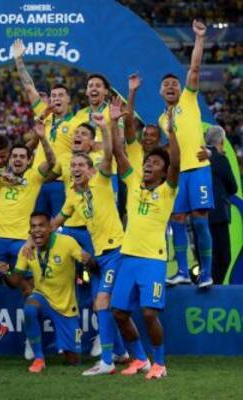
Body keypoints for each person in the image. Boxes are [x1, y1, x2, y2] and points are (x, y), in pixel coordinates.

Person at [50, 107, 128, 376]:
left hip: (112, 248)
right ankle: (121, 352)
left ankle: (109, 359)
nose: (75, 169)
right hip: (94, 248)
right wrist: (32, 238)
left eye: (80, 166)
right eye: (73, 166)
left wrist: (106, 126)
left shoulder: (101, 179)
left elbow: (109, 154)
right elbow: (58, 220)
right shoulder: (74, 194)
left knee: (102, 300)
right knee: (99, 300)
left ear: (91, 169)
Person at [111, 101, 180, 380]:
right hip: (128, 257)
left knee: (150, 313)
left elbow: (176, 163)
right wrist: (113, 123)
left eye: (156, 163)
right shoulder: (133, 183)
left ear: (164, 172)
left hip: (152, 259)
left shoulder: (167, 191)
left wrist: (172, 131)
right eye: (147, 162)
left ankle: (159, 363)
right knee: (119, 312)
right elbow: (118, 152)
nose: (150, 164)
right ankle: (140, 358)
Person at [0, 118, 55, 355]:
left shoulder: (34, 176)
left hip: (22, 240)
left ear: (28, 160)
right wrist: (2, 174)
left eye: (22, 157)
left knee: (28, 288)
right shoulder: (1, 176)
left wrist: (43, 138)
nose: (17, 159)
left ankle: (31, 340)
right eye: (14, 156)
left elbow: (52, 162)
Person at [0, 213, 93, 373]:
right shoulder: (27, 250)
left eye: (41, 225)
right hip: (42, 297)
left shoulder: (67, 242)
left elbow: (88, 264)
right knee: (30, 308)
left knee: (73, 360)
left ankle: (68, 342)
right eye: (33, 226)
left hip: (66, 305)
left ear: (50, 228)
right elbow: (14, 282)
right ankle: (39, 358)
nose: (37, 230)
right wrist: (6, 271)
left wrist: (88, 261)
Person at [162, 20, 215, 287]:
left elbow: (194, 68)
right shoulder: (162, 119)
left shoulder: (188, 99)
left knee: (200, 220)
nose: (171, 86)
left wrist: (200, 38)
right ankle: (182, 271)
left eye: (174, 83)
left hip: (199, 169)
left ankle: (206, 273)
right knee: (177, 219)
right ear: (161, 92)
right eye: (166, 85)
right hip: (178, 176)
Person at [12, 38, 74, 218]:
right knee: (35, 225)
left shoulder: (76, 123)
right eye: (53, 96)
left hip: (60, 182)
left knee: (58, 226)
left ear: (68, 99)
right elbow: (29, 87)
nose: (56, 98)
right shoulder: (44, 115)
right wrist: (19, 60)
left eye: (61, 95)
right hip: (37, 180)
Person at [205, 126, 238, 284]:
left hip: (199, 213)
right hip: (217, 213)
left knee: (207, 255)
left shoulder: (199, 156)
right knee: (223, 256)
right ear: (222, 141)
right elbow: (233, 187)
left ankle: (207, 283)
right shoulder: (220, 158)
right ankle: (214, 288)